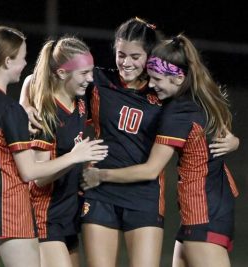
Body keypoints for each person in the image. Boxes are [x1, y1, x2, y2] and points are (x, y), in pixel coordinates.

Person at [21, 17, 239, 267]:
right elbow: (39, 79)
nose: (126, 63)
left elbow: (204, 109)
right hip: (99, 193)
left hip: (145, 196)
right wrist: (26, 106)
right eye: (121, 54)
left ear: (149, 55)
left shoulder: (162, 88)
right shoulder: (98, 83)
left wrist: (232, 140)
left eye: (135, 56)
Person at [0, 26, 107, 267]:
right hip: (7, 205)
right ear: (7, 61)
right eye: (22, 57)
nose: (26, 63)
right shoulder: (11, 109)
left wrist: (25, 101)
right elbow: (30, 172)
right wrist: (76, 156)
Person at [82, 34, 239, 267]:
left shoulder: (178, 112)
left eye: (156, 78)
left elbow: (151, 170)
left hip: (203, 212)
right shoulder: (200, 98)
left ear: (178, 77)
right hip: (203, 210)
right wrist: (235, 141)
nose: (152, 85)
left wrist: (99, 175)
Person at [19, 36, 97, 267]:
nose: (90, 79)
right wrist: (75, 157)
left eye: (91, 72)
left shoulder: (79, 103)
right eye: (84, 73)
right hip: (45, 216)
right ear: (62, 73)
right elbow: (38, 177)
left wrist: (86, 166)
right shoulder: (47, 115)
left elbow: (33, 78)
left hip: (68, 213)